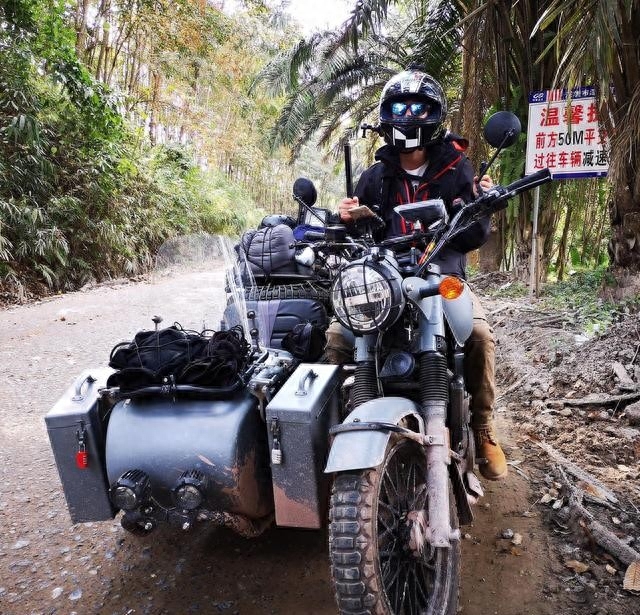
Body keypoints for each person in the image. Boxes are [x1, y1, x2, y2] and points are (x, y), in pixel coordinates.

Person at [325, 67, 507, 481]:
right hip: (386, 278)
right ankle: (341, 424)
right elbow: (358, 233)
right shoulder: (375, 176)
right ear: (387, 116)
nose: (407, 115)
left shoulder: (457, 168)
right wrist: (346, 217)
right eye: (399, 107)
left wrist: (482, 203)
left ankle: (482, 427)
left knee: (478, 337)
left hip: (443, 276)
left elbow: (474, 234)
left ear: (433, 114)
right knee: (337, 336)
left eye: (417, 107)